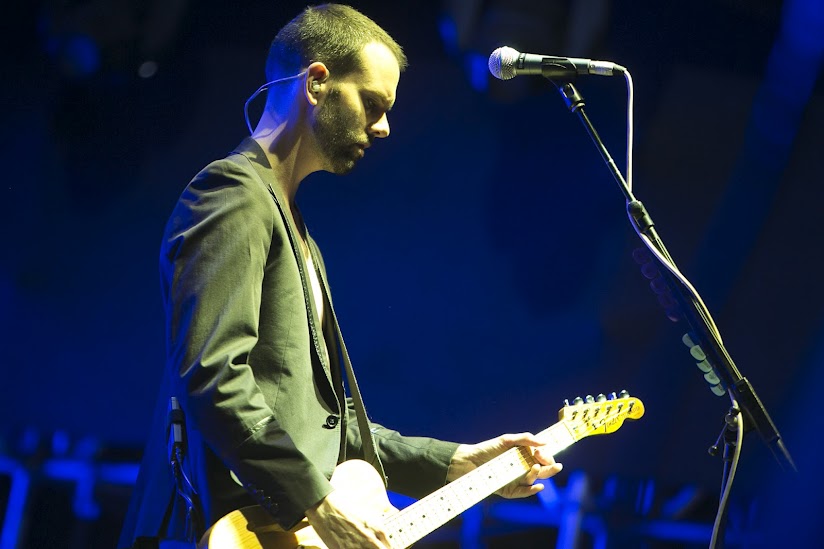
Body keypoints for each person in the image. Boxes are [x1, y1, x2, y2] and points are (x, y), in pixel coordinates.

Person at [118, 4, 562, 548]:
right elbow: (213, 377)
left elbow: (321, 424)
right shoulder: (232, 195)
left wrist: (456, 462)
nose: (384, 126)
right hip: (208, 528)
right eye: (372, 103)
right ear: (316, 83)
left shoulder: (294, 229)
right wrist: (318, 504)